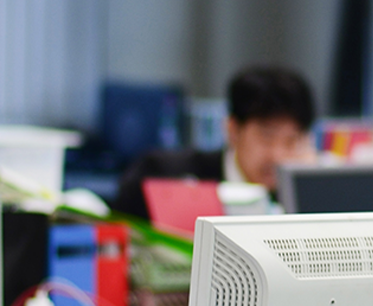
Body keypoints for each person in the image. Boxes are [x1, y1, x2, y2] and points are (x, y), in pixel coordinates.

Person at [112, 65, 317, 219]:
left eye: (291, 141)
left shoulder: (298, 196)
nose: (277, 155)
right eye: (267, 137)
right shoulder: (162, 174)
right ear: (233, 130)